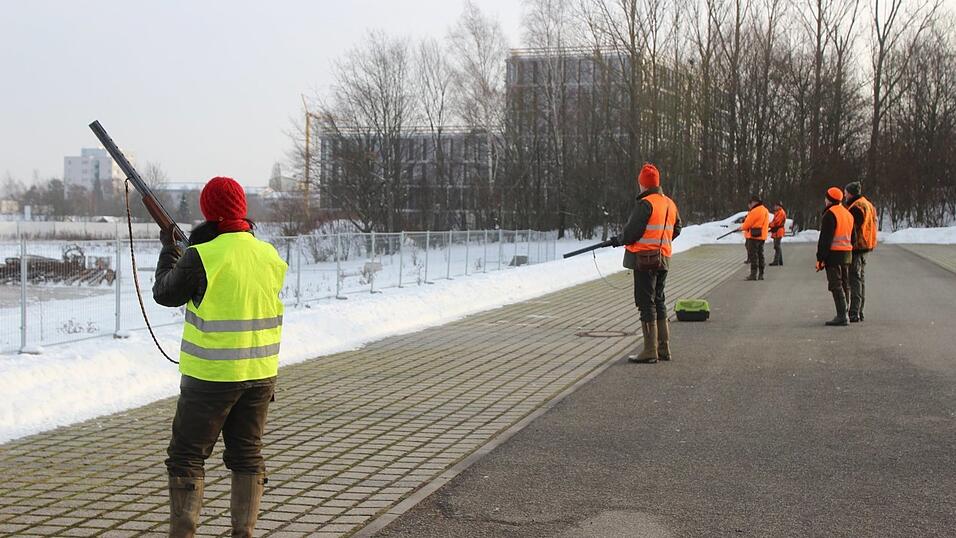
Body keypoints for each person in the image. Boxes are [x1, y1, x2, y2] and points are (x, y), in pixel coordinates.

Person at [153, 177, 288, 537]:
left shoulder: (203, 255)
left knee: (186, 457)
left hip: (211, 377)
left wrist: (169, 250)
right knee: (247, 456)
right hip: (260, 375)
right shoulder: (269, 255)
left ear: (208, 211)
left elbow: (165, 294)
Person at [610, 164, 682, 363]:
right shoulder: (669, 203)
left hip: (644, 260)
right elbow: (678, 228)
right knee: (659, 300)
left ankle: (650, 350)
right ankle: (663, 348)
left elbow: (632, 232)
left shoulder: (645, 204)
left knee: (646, 302)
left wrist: (619, 239)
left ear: (643, 183)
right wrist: (661, 241)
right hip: (663, 258)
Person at [816, 187, 855, 326]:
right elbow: (853, 237)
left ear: (829, 199)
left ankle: (842, 315)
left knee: (835, 284)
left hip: (834, 254)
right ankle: (845, 312)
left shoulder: (830, 214)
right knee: (845, 283)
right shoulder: (847, 213)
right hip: (847, 254)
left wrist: (820, 258)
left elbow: (825, 239)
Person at [844, 181, 877, 322]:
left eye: (845, 193)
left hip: (858, 247)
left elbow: (853, 229)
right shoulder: (867, 204)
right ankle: (859, 310)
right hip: (866, 245)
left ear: (850, 193)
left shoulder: (856, 207)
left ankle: (854, 311)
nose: (844, 196)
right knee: (860, 279)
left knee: (855, 279)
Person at [742, 196, 770, 280]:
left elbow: (748, 223)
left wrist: (742, 227)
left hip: (754, 236)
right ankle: (761, 274)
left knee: (753, 255)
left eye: (751, 202)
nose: (750, 204)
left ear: (755, 202)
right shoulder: (765, 210)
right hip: (762, 236)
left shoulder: (755, 211)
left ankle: (753, 274)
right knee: (760, 254)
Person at [768, 201, 787, 266]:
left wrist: (769, 225)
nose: (774, 207)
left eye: (776, 206)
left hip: (778, 231)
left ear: (779, 206)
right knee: (777, 246)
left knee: (777, 246)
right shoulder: (778, 212)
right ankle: (780, 261)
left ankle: (776, 261)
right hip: (777, 231)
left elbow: (776, 222)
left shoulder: (781, 213)